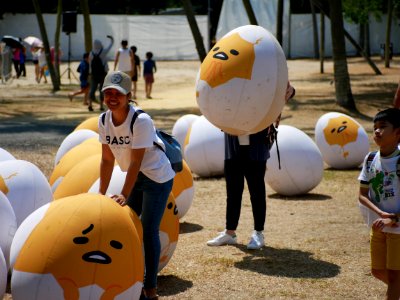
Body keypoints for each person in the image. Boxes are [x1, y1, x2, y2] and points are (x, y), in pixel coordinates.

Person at [98, 71, 175, 300]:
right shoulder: (103, 120)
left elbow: (136, 160)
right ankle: (130, 277)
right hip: (137, 175)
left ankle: (150, 289)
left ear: (129, 96)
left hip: (157, 177)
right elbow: (107, 159)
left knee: (148, 229)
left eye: (118, 94)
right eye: (108, 93)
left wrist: (123, 193)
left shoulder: (140, 120)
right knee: (130, 227)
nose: (112, 97)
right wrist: (100, 193)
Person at [207, 82, 296, 250]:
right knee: (233, 192)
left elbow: (283, 86)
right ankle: (230, 232)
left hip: (256, 147)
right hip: (233, 147)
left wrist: (290, 91)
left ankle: (258, 232)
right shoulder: (233, 77)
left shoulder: (260, 70)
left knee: (257, 192)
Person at [358, 108, 400, 300]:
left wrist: (394, 218)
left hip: (398, 229)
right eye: (374, 127)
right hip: (380, 226)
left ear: (398, 133)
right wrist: (381, 214)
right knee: (377, 271)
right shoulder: (370, 159)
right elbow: (362, 195)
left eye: (382, 127)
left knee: (393, 276)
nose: (376, 131)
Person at [88, 35, 114, 112]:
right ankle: (101, 106)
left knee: (92, 89)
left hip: (93, 74)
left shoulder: (91, 53)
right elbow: (111, 45)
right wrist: (111, 39)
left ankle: (90, 105)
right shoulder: (103, 52)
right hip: (103, 74)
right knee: (102, 90)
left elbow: (90, 65)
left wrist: (90, 74)